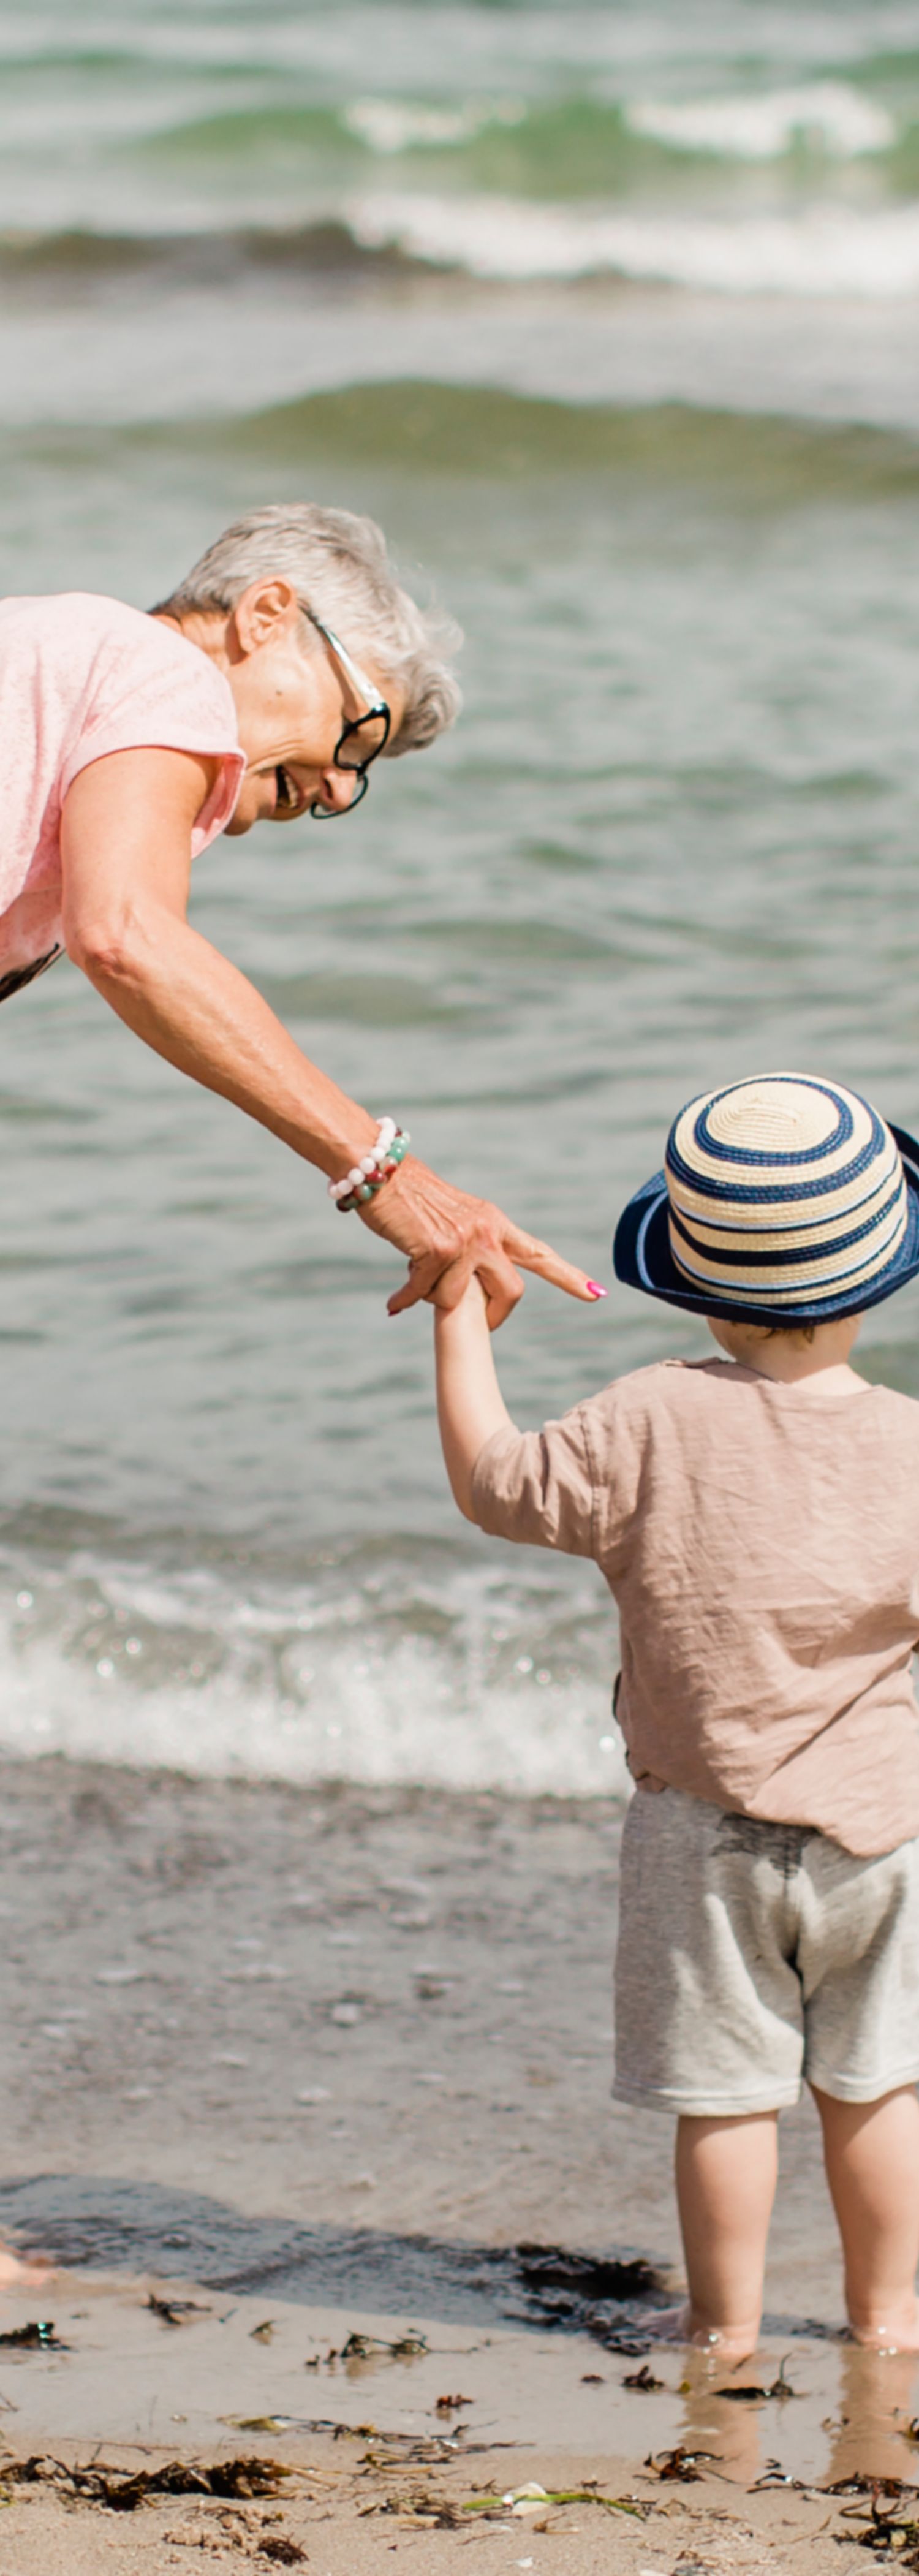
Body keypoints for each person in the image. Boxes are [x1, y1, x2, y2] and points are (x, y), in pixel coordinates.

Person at [433, 1071, 919, 2357]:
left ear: (694, 1277)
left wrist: (459, 1319)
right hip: (887, 1836)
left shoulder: (649, 1416)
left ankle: (725, 2327)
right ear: (876, 1280)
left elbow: (494, 1483)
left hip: (700, 1836)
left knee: (726, 2101)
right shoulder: (913, 1446)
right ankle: (889, 2318)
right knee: (877, 2086)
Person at [0, 504, 596, 1323]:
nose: (341, 786)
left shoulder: (52, 657)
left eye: (365, 769)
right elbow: (128, 938)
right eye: (359, 731)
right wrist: (386, 1175)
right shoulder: (164, 670)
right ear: (267, 616)